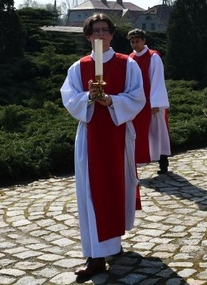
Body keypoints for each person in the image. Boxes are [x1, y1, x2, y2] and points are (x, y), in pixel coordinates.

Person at [60, 14, 146, 278]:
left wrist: (111, 101)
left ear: (111, 35)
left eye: (104, 31)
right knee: (91, 193)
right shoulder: (78, 67)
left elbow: (137, 97)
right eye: (95, 31)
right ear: (88, 36)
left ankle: (112, 243)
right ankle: (95, 255)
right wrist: (89, 96)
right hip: (90, 137)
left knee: (115, 188)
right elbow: (69, 98)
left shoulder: (127, 64)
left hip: (117, 134)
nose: (100, 35)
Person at [128, 28, 172, 175]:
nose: (135, 45)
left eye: (138, 41)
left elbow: (157, 79)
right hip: (138, 101)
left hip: (152, 101)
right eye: (132, 42)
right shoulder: (130, 58)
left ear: (144, 41)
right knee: (138, 132)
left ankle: (163, 162)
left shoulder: (153, 57)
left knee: (158, 132)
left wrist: (155, 103)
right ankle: (137, 160)